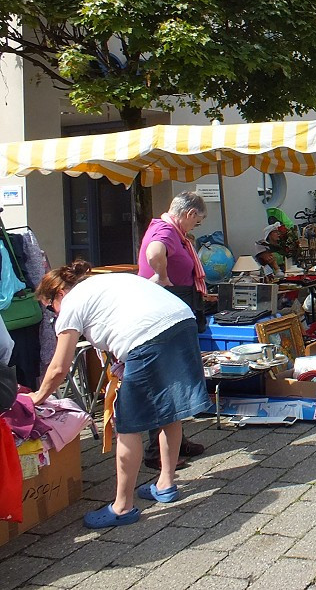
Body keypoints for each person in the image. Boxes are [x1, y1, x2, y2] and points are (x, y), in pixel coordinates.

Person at [32, 263, 211, 528]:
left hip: (148, 335)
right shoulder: (105, 283)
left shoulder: (70, 305)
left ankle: (122, 507)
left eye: (49, 308)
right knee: (169, 410)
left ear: (59, 293)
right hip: (181, 320)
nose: (52, 314)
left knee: (128, 426)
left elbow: (59, 367)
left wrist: (37, 397)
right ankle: (165, 484)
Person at [135, 191, 208, 470]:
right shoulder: (165, 230)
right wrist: (162, 276)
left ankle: (176, 440)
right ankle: (157, 452)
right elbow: (154, 252)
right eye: (197, 222)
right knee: (167, 378)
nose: (194, 228)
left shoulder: (170, 230)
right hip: (165, 315)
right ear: (189, 215)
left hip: (177, 309)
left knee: (178, 377)